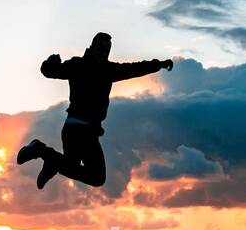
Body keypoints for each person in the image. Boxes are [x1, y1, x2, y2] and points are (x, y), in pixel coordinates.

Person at [16, 32, 173, 189]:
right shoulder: (78, 65)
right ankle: (43, 153)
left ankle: (49, 159)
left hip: (86, 132)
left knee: (75, 167)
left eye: (106, 50)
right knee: (95, 176)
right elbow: (50, 72)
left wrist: (158, 64)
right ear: (92, 47)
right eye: (100, 49)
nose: (103, 53)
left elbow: (135, 68)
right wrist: (50, 63)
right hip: (77, 130)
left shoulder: (109, 69)